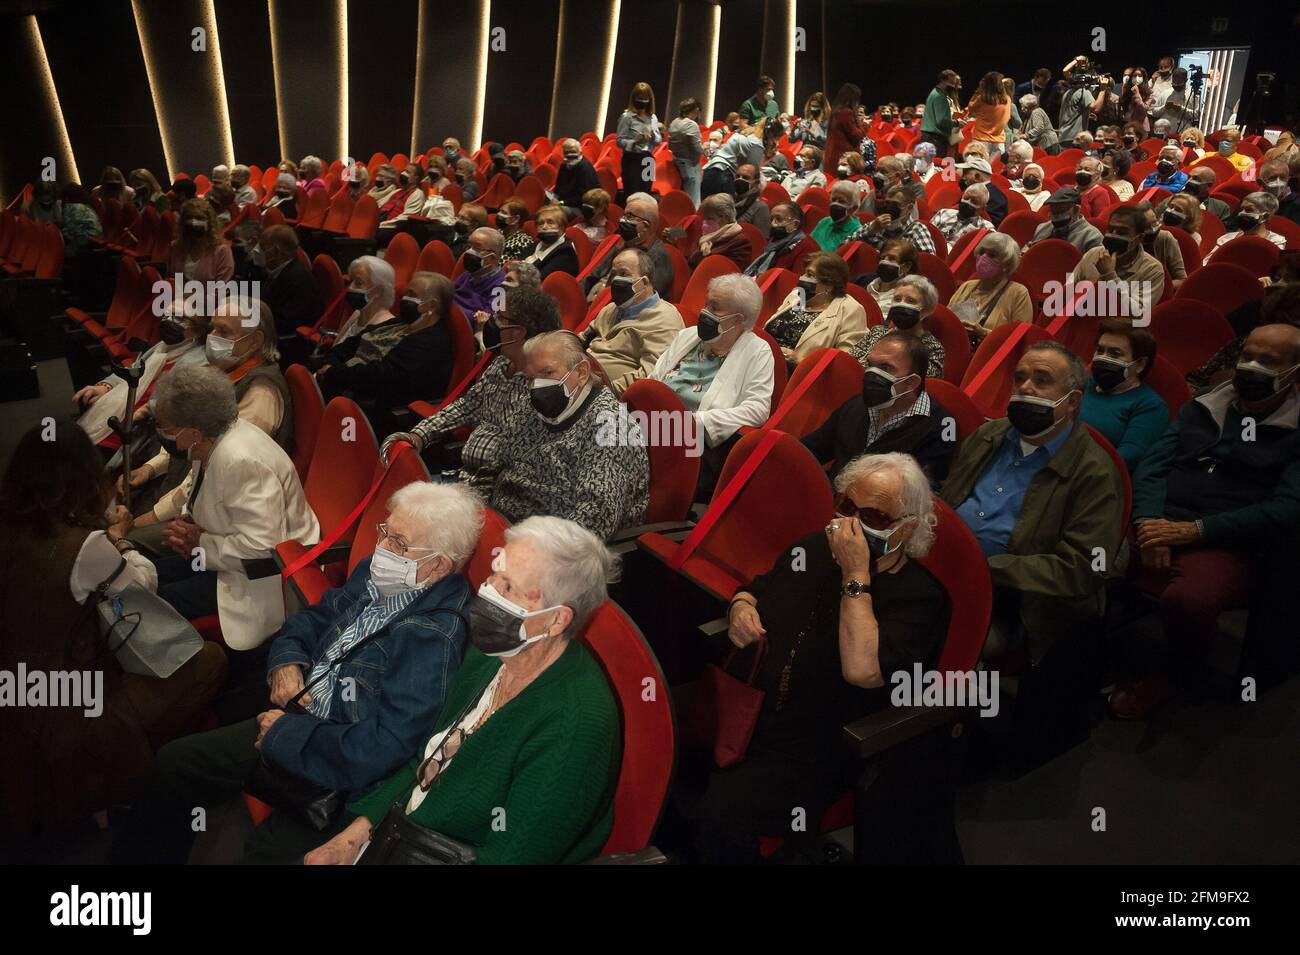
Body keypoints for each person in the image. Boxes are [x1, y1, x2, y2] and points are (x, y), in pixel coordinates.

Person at [109, 481, 483, 865]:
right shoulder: (381, 573)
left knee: (262, 853)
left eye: (399, 544)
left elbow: (386, 747)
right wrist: (286, 662)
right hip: (298, 711)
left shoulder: (433, 638)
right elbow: (315, 618)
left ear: (438, 565)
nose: (381, 549)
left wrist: (287, 735)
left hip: (331, 757)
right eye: (384, 532)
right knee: (176, 764)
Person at [671, 453, 949, 864]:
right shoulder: (812, 548)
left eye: (873, 515)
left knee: (717, 812)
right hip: (747, 713)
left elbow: (862, 670)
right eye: (846, 507)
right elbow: (754, 589)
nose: (851, 525)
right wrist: (740, 610)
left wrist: (856, 574)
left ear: (907, 528)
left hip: (817, 748)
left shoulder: (920, 598)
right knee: (664, 749)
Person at [303, 516, 621, 866]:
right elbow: (421, 760)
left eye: (509, 588)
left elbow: (510, 856)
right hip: (397, 834)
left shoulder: (574, 724)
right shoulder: (491, 659)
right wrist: (353, 836)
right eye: (494, 575)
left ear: (556, 620)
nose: (487, 591)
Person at [0, 422, 227, 838]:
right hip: (63, 714)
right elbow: (143, 584)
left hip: (13, 693)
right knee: (207, 660)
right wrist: (119, 538)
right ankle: (116, 775)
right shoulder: (83, 546)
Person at [1115, 324, 1300, 719]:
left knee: (1189, 599)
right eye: (1247, 356)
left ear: (1295, 372)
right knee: (1086, 552)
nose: (1250, 366)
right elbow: (1153, 466)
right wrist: (1151, 524)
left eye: (1267, 362)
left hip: (1231, 540)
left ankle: (1178, 672)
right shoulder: (1205, 404)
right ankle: (1081, 655)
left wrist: (1195, 531)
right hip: (1162, 522)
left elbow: (1286, 509)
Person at [120, 365, 318, 682]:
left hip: (260, 576)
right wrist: (189, 525)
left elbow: (263, 548)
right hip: (224, 552)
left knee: (154, 602)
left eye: (166, 427)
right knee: (146, 579)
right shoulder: (213, 439)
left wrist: (198, 543)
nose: (163, 433)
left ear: (193, 431)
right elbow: (204, 497)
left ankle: (177, 684)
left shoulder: (240, 459)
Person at [944, 342, 1123, 660]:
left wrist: (984, 568)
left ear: (1072, 402)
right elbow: (949, 499)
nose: (1025, 386)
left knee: (916, 630)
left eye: (1042, 380)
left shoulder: (1094, 472)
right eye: (1020, 378)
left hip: (1017, 601)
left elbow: (1082, 569)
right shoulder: (989, 436)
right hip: (946, 572)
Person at [384, 285, 562, 489]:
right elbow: (466, 406)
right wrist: (420, 434)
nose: (492, 323)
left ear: (518, 332)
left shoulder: (542, 388)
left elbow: (516, 459)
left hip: (493, 488)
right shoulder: (500, 364)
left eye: (500, 318)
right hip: (465, 476)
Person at [488, 331, 648, 539]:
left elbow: (593, 521)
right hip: (502, 522)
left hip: (552, 546)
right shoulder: (532, 407)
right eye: (531, 378)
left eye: (547, 373)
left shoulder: (612, 427)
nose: (537, 386)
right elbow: (496, 466)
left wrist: (526, 549)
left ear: (581, 372)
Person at [651, 274, 774, 495]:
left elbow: (758, 409)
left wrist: (697, 422)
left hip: (694, 445)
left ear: (738, 319)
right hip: (651, 425)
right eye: (706, 303)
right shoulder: (688, 336)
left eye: (715, 308)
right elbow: (654, 380)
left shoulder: (758, 351)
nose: (704, 312)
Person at [803, 333, 955, 484]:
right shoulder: (857, 404)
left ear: (911, 382)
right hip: (832, 495)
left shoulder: (942, 426)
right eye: (870, 365)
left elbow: (921, 494)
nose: (871, 374)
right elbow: (811, 449)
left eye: (885, 368)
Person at [318, 271, 456, 410]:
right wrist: (329, 363)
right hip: (344, 381)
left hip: (374, 405)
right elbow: (352, 343)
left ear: (431, 305)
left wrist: (333, 373)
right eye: (406, 294)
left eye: (412, 295)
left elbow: (382, 375)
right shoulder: (400, 322)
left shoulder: (430, 342)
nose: (404, 299)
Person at [580, 248, 684, 396]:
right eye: (614, 274)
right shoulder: (611, 308)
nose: (616, 280)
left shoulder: (664, 319)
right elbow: (582, 338)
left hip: (608, 396)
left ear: (645, 281)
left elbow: (651, 375)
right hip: (580, 376)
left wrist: (601, 392)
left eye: (623, 274)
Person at [1078, 318, 1169, 471]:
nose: (1103, 358)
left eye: (1115, 354)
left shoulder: (1150, 406)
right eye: (1100, 350)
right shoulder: (1084, 382)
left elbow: (1124, 460)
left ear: (1139, 365)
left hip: (1091, 477)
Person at [765, 251, 867, 364]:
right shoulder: (798, 295)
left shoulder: (851, 310)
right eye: (804, 273)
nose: (802, 278)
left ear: (829, 285)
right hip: (765, 357)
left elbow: (845, 361)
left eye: (810, 275)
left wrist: (800, 361)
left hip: (797, 373)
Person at [1071, 204, 1165, 318]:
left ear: (1138, 239)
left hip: (1120, 330)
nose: (1113, 235)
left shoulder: (1153, 269)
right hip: (1085, 320)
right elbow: (1068, 292)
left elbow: (1138, 313)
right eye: (1110, 229)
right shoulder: (1093, 254)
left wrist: (1110, 276)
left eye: (1122, 232)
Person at [850, 275, 946, 379]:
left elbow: (920, 384)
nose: (901, 304)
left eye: (910, 301)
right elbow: (849, 361)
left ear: (925, 311)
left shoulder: (932, 349)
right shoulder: (877, 332)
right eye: (897, 299)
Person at [949, 232, 1033, 347]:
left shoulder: (1018, 293)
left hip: (987, 355)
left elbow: (1019, 341)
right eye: (982, 252)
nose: (984, 258)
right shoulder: (966, 286)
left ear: (1007, 265)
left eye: (992, 255)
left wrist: (983, 333)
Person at [584, 192, 673, 301]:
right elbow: (593, 275)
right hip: (594, 300)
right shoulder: (623, 243)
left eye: (629, 216)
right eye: (624, 215)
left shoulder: (658, 256)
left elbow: (642, 298)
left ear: (645, 226)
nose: (622, 220)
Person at [320, 255, 402, 370]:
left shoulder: (385, 326)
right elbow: (336, 349)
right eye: (351, 281)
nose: (350, 287)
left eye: (358, 283)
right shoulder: (357, 314)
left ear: (378, 290)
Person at [243, 224, 323, 340]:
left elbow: (285, 323)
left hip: (285, 343)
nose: (257, 251)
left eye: (262, 247)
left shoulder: (297, 279)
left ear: (276, 251)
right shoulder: (277, 271)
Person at [850, 182, 935, 254]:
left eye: (895, 204)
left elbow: (927, 266)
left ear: (909, 207)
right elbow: (846, 245)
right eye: (887, 203)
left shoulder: (917, 230)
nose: (889, 208)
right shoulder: (877, 224)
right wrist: (869, 231)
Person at [1203, 192, 1286, 263]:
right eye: (1241, 209)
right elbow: (1207, 264)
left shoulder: (1275, 242)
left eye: (1249, 210)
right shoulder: (1227, 238)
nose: (1241, 213)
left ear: (1265, 217)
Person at [744, 202, 819, 277]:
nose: (773, 223)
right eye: (771, 219)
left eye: (778, 219)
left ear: (795, 224)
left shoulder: (806, 247)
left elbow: (795, 280)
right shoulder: (775, 240)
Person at [169, 198, 234, 283]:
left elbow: (220, 289)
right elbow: (172, 281)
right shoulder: (176, 247)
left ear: (210, 223)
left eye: (199, 218)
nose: (193, 222)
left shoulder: (222, 251)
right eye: (189, 217)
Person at [617, 82, 662, 200]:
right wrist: (635, 142)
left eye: (645, 98)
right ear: (634, 99)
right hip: (632, 159)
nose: (642, 102)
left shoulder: (653, 118)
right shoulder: (627, 117)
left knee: (646, 194)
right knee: (633, 194)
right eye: (639, 98)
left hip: (648, 159)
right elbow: (619, 140)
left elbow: (658, 141)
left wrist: (653, 135)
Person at [1026, 187, 1102, 253]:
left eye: (1060, 210)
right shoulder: (1042, 228)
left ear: (1075, 210)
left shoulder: (1092, 236)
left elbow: (1092, 267)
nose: (1056, 216)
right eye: (1053, 210)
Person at [454, 226, 508, 319]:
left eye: (477, 248)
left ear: (492, 256)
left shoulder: (502, 287)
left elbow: (489, 321)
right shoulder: (470, 273)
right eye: (469, 246)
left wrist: (452, 309)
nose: (469, 251)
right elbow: (448, 294)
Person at [687, 193, 752, 269]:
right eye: (704, 219)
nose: (704, 223)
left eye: (710, 219)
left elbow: (730, 271)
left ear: (725, 218)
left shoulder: (741, 242)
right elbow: (690, 261)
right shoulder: (704, 237)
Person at [702, 122, 765, 199]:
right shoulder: (757, 142)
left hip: (711, 169)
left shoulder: (744, 133)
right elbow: (754, 170)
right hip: (723, 174)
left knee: (706, 205)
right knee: (724, 207)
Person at [1135, 200, 1187, 289]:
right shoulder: (1127, 242)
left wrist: (1153, 286)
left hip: (1161, 293)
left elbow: (1182, 280)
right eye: (1147, 226)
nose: (1152, 229)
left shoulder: (1165, 238)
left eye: (1155, 222)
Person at [521, 203, 580, 279]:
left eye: (550, 222)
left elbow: (539, 279)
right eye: (540, 223)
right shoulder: (536, 243)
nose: (544, 227)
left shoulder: (566, 251)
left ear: (561, 227)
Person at [858, 238, 916, 312]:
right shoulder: (863, 280)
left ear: (907, 266)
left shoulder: (908, 298)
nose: (884, 261)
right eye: (882, 258)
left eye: (892, 259)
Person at [668, 99, 705, 206]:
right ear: (697, 110)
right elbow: (697, 149)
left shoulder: (674, 122)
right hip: (690, 167)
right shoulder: (691, 125)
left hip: (677, 163)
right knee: (693, 202)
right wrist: (705, 148)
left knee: (681, 201)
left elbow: (670, 145)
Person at [826, 83, 870, 173]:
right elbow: (855, 135)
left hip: (833, 154)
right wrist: (865, 125)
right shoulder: (846, 112)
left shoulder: (835, 111)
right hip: (844, 157)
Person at [966, 72, 1012, 159]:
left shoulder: (983, 98)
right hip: (999, 142)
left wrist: (978, 91)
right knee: (992, 171)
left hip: (981, 140)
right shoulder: (1007, 99)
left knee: (975, 169)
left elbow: (970, 108)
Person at [810, 179, 864, 251]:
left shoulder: (856, 233)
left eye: (841, 201)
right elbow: (808, 245)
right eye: (834, 200)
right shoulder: (824, 221)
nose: (835, 204)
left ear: (854, 208)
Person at [931, 182, 988, 246]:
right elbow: (928, 233)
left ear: (983, 208)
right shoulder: (943, 213)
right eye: (966, 198)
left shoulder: (986, 229)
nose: (967, 202)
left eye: (974, 201)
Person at [920, 70, 962, 158]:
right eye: (951, 82)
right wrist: (957, 123)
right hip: (935, 139)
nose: (954, 86)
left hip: (930, 137)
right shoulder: (940, 97)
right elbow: (941, 121)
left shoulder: (935, 93)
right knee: (936, 166)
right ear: (942, 81)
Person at [554, 138, 600, 216]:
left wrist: (562, 202)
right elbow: (558, 187)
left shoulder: (586, 168)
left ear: (580, 153)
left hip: (580, 207)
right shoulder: (564, 166)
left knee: (557, 212)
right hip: (563, 202)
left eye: (572, 152)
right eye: (566, 152)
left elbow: (584, 197)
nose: (569, 155)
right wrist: (554, 198)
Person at [57, 183, 103, 257]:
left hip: (82, 247)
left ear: (66, 198)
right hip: (96, 244)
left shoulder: (71, 208)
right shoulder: (88, 208)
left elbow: (68, 233)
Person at [1150, 68, 1200, 135]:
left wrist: (1181, 109)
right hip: (1165, 133)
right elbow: (1154, 112)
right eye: (1174, 83)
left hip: (1183, 134)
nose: (1175, 86)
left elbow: (1196, 115)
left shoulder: (1192, 95)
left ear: (1186, 80)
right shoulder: (1165, 93)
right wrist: (1164, 107)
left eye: (1179, 83)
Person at [1258, 158, 1300, 225]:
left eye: (1283, 177)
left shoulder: (1297, 204)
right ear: (1260, 182)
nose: (1278, 182)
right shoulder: (1251, 201)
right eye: (1272, 178)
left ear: (1288, 180)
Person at [733, 163, 771, 235]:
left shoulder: (760, 207)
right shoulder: (728, 199)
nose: (740, 180)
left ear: (756, 183)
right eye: (737, 176)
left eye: (745, 178)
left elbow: (761, 239)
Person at [1119, 67, 1153, 133]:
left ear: (1144, 78)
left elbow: (1144, 108)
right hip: (1128, 125)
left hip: (1142, 126)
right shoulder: (1128, 90)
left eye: (1139, 76)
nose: (1137, 78)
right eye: (1135, 76)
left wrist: (1137, 94)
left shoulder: (1149, 92)